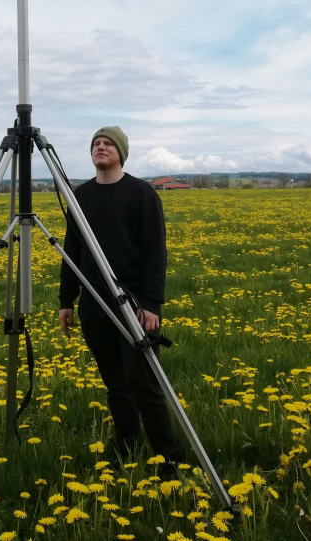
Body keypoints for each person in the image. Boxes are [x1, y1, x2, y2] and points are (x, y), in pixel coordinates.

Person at [58, 126, 183, 475]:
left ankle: (168, 456)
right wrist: (66, 300)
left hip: (134, 306)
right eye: (96, 143)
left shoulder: (141, 194)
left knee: (144, 383)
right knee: (115, 384)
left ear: (121, 153)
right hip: (94, 305)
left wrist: (152, 305)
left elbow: (155, 253)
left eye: (107, 143)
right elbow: (72, 251)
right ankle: (127, 447)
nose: (100, 147)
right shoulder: (80, 196)